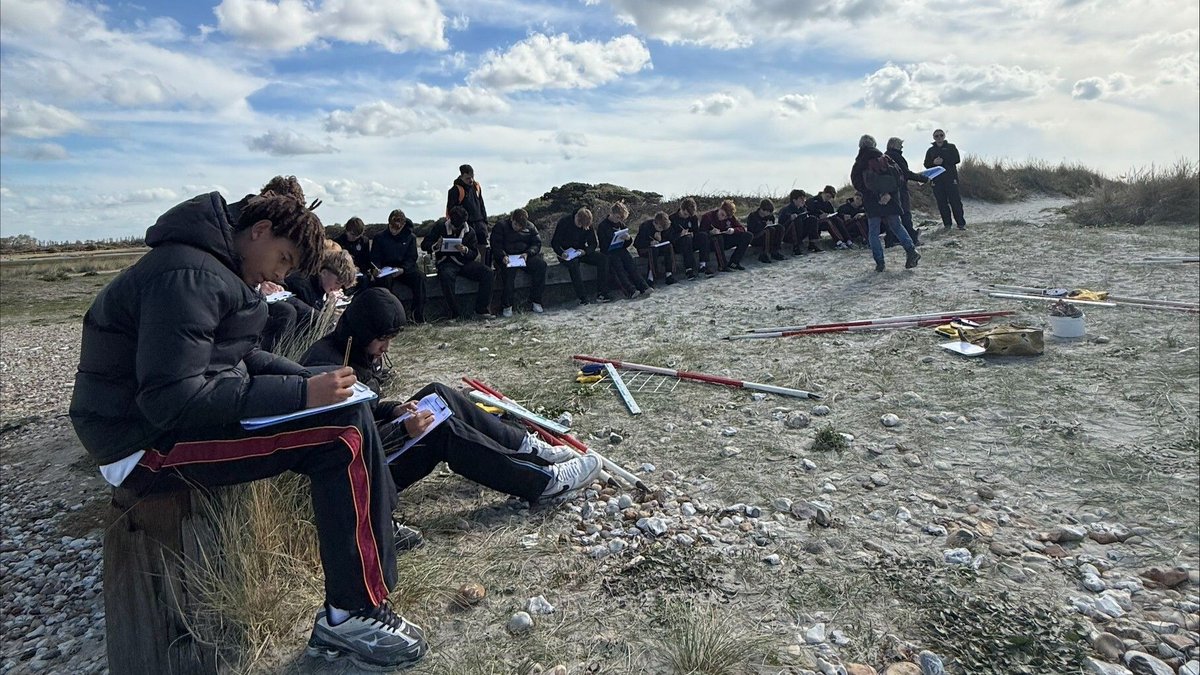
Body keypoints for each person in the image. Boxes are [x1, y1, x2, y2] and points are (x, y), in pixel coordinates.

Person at [68, 192, 428, 669]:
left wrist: (315, 382)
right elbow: (172, 397)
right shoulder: (189, 275)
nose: (280, 276)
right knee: (342, 435)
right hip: (139, 446)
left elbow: (234, 360)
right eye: (283, 259)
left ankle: (363, 590)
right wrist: (304, 396)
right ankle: (353, 613)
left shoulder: (205, 267)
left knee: (352, 412)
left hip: (149, 430)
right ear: (259, 231)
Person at [300, 288, 602, 508]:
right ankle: (544, 481)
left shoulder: (350, 348)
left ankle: (525, 447)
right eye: (383, 340)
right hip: (358, 478)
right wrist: (402, 431)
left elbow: (367, 409)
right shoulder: (328, 369)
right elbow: (343, 445)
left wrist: (394, 411)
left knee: (438, 393)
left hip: (375, 446)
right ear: (363, 330)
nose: (386, 349)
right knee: (442, 430)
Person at [851, 134, 920, 272]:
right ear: (874, 145)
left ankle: (880, 263)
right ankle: (911, 251)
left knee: (873, 233)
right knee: (897, 226)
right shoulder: (885, 159)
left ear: (860, 146)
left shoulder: (858, 164)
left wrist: (873, 194)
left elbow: (857, 183)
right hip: (889, 198)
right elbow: (898, 177)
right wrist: (888, 194)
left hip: (871, 201)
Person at [421, 206, 494, 320]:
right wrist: (436, 245)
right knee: (446, 276)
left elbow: (474, 253)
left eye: (458, 226)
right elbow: (424, 245)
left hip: (465, 262)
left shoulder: (470, 232)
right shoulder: (440, 227)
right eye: (454, 225)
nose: (455, 228)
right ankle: (455, 313)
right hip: (446, 262)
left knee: (488, 273)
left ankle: (481, 310)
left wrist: (465, 250)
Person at [282, 246, 357, 331]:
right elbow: (311, 322)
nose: (338, 288)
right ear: (324, 273)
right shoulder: (301, 285)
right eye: (337, 283)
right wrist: (328, 311)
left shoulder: (319, 287)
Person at [371, 209, 426, 323]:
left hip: (403, 269)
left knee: (419, 277)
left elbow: (412, 257)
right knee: (384, 282)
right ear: (389, 224)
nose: (394, 231)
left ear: (403, 225)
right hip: (386, 270)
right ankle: (389, 317)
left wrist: (403, 269)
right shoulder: (379, 237)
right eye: (392, 227)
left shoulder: (411, 237)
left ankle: (417, 315)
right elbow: (375, 258)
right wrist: (376, 269)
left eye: (398, 228)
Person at [490, 208, 547, 317]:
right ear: (512, 219)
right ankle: (507, 305)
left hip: (523, 256)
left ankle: (536, 301)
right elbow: (496, 245)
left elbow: (536, 243)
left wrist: (528, 253)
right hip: (506, 257)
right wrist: (502, 256)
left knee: (541, 266)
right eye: (516, 224)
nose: (518, 228)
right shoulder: (501, 226)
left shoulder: (530, 227)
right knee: (508, 273)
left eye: (521, 226)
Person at [551, 207, 613, 305]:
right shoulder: (564, 222)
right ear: (576, 217)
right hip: (565, 253)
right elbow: (554, 242)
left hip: (581, 251)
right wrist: (562, 253)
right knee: (574, 265)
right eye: (579, 224)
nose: (580, 227)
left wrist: (585, 251)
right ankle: (583, 298)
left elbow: (593, 243)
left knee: (603, 259)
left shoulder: (587, 223)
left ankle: (602, 293)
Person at [595, 202, 651, 298]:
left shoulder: (621, 225)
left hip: (620, 249)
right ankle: (630, 290)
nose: (619, 220)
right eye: (618, 217)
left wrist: (628, 238)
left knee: (631, 264)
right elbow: (603, 245)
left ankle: (643, 286)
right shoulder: (603, 226)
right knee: (618, 267)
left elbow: (628, 244)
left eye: (621, 218)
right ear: (612, 213)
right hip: (609, 252)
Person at [885, 137, 930, 246]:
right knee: (905, 214)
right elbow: (906, 173)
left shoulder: (884, 156)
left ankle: (891, 239)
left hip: (888, 190)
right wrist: (923, 178)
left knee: (893, 215)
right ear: (895, 145)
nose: (902, 147)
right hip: (900, 189)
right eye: (900, 145)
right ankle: (912, 238)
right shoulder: (897, 157)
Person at [446, 164, 490, 265]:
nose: (471, 180)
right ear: (461, 176)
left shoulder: (476, 186)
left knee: (484, 249)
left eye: (472, 177)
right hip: (466, 225)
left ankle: (485, 269)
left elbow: (482, 205)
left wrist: (485, 222)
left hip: (480, 224)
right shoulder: (455, 190)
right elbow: (452, 210)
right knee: (469, 250)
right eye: (468, 178)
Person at [923, 129, 967, 230]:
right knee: (942, 203)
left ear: (944, 136)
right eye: (937, 136)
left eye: (941, 135)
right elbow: (926, 164)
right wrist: (934, 162)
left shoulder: (951, 147)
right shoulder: (931, 150)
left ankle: (961, 223)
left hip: (950, 179)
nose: (939, 137)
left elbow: (957, 159)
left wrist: (944, 161)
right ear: (934, 138)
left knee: (955, 202)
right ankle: (947, 224)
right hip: (937, 180)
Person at [699, 200, 751, 271]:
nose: (723, 218)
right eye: (722, 214)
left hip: (726, 240)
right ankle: (722, 265)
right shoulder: (707, 217)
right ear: (720, 209)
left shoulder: (731, 218)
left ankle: (734, 262)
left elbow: (742, 228)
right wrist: (710, 232)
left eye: (726, 217)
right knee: (717, 237)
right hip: (712, 243)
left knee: (748, 235)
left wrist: (733, 230)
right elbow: (701, 234)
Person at [633, 211, 677, 286]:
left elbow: (670, 239)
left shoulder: (664, 228)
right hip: (645, 249)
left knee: (669, 246)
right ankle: (651, 276)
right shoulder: (645, 226)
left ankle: (669, 273)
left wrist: (661, 240)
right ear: (655, 223)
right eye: (660, 227)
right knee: (653, 250)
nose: (661, 230)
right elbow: (637, 243)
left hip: (659, 247)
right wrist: (649, 243)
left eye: (663, 229)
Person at [667, 198, 707, 278]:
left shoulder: (693, 218)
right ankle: (689, 268)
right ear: (681, 209)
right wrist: (680, 235)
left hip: (691, 242)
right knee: (686, 239)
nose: (687, 217)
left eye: (688, 215)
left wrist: (693, 234)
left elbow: (696, 231)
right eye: (685, 214)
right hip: (679, 244)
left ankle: (703, 264)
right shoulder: (672, 219)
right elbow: (669, 237)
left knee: (703, 235)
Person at [333, 216, 372, 294]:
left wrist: (359, 268)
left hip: (359, 272)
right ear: (347, 230)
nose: (355, 237)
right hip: (343, 272)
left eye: (358, 235)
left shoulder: (364, 241)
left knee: (365, 279)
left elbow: (367, 261)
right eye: (352, 234)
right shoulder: (338, 242)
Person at [745, 199, 784, 263]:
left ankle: (775, 251)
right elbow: (752, 230)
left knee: (780, 227)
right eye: (768, 211)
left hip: (768, 236)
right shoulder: (753, 216)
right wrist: (764, 225)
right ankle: (764, 254)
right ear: (762, 209)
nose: (769, 213)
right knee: (768, 230)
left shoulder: (770, 216)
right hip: (755, 237)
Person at [777, 189, 811, 255]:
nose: (803, 201)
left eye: (804, 199)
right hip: (787, 235)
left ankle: (813, 243)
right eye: (801, 199)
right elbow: (781, 225)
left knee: (812, 219)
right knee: (797, 220)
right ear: (794, 200)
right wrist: (790, 218)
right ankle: (796, 246)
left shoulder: (803, 209)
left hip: (800, 232)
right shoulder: (786, 209)